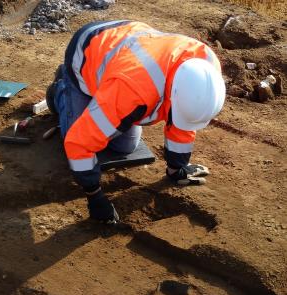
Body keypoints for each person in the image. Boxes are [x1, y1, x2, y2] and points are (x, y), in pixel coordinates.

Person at [46, 20, 226, 225]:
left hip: (128, 49)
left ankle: (96, 101)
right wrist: (94, 195)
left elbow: (183, 119)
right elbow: (78, 143)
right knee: (72, 136)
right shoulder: (132, 92)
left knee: (126, 146)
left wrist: (177, 168)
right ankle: (60, 90)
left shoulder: (205, 69)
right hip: (87, 52)